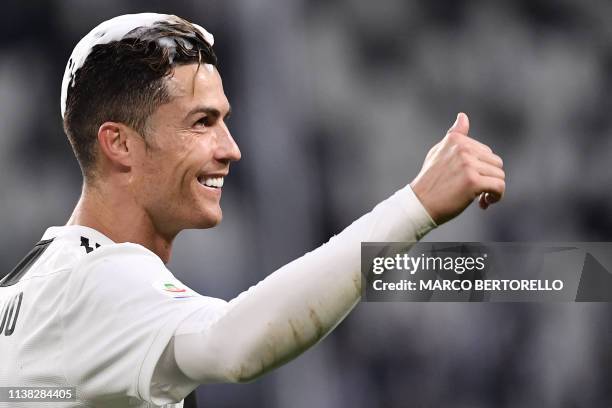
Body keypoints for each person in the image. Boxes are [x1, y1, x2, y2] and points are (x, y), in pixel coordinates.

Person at [0, 13, 505, 408]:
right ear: (120, 145)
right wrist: (416, 205)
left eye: (224, 121)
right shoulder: (99, 281)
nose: (230, 148)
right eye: (202, 122)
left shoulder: (33, 283)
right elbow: (234, 346)